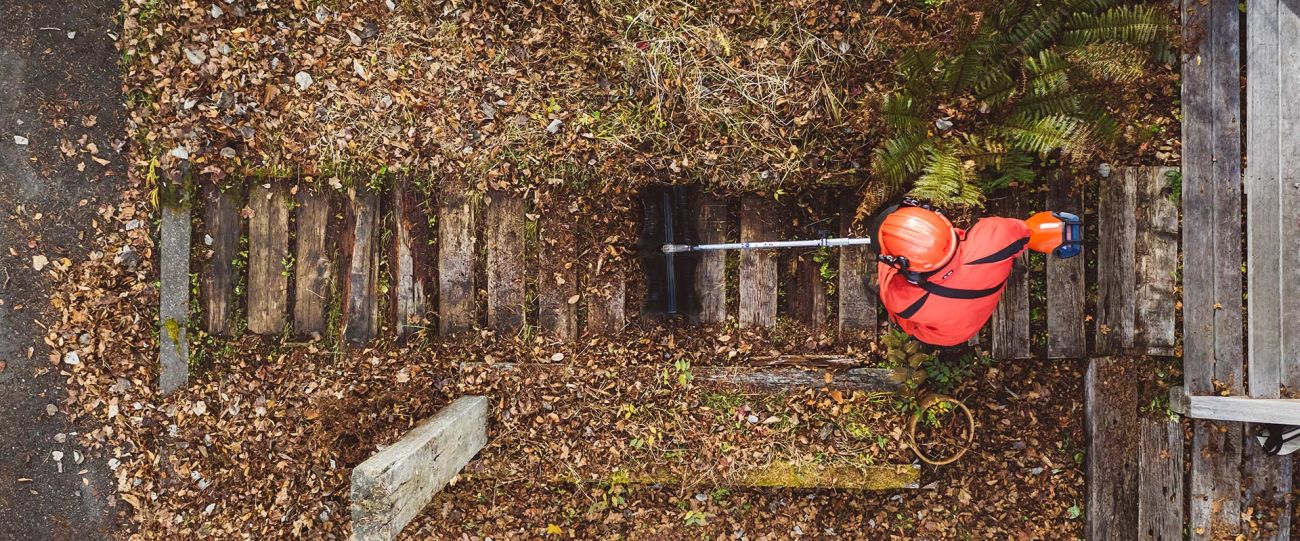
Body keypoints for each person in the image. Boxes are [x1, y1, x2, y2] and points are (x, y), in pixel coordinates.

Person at [869, 198, 1080, 347]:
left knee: (904, 320)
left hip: (947, 335)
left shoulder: (904, 300)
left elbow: (888, 275)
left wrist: (886, 264)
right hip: (971, 314)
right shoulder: (995, 239)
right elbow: (1027, 232)